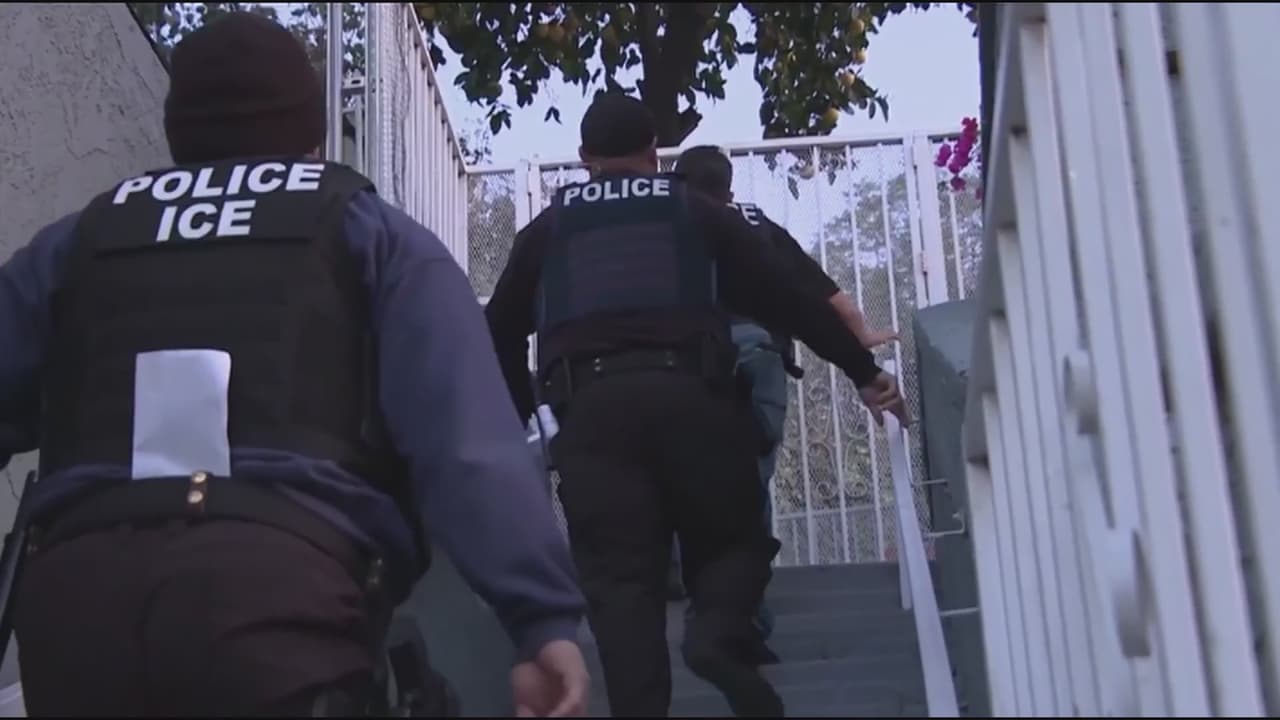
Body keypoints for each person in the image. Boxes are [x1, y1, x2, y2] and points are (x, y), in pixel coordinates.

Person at [0, 13, 588, 717]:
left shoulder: (77, 243)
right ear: (313, 137)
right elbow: (469, 448)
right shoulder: (374, 237)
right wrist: (542, 620)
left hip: (76, 615)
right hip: (282, 611)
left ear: (178, 131)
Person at [484, 92, 906, 718]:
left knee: (621, 590)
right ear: (655, 153)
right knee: (735, 543)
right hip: (694, 399)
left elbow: (497, 331)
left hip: (591, 417)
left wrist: (532, 418)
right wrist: (864, 374)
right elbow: (789, 298)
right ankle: (716, 633)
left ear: (584, 157)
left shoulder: (548, 229)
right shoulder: (695, 209)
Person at [668, 145, 901, 645]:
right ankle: (747, 607)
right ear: (729, 188)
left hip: (688, 359)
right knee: (751, 476)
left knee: (681, 471)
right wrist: (861, 340)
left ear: (676, 182)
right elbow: (820, 292)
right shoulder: (755, 220)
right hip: (761, 353)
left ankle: (690, 583)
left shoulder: (664, 224)